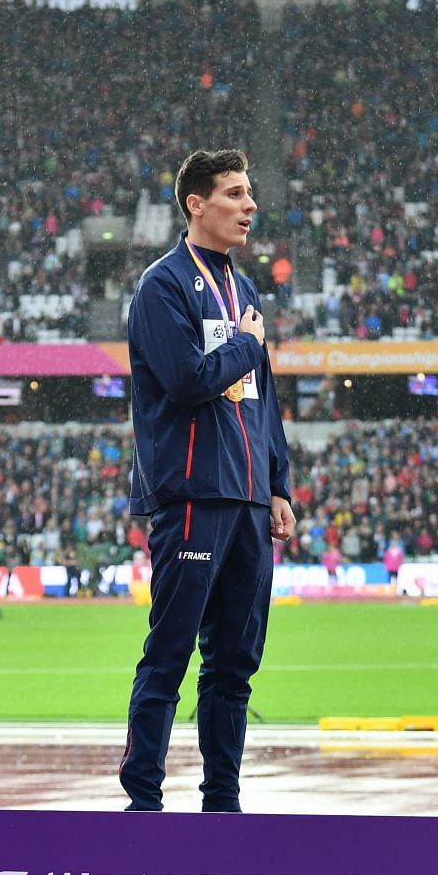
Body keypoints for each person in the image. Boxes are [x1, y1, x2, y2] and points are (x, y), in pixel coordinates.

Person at [117, 149, 294, 813]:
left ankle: (223, 803)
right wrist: (247, 345)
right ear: (197, 204)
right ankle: (144, 803)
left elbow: (262, 398)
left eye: (250, 194)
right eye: (236, 193)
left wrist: (278, 484)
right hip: (193, 496)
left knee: (235, 666)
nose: (251, 206)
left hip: (248, 501)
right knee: (169, 655)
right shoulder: (162, 286)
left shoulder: (244, 292)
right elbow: (189, 379)